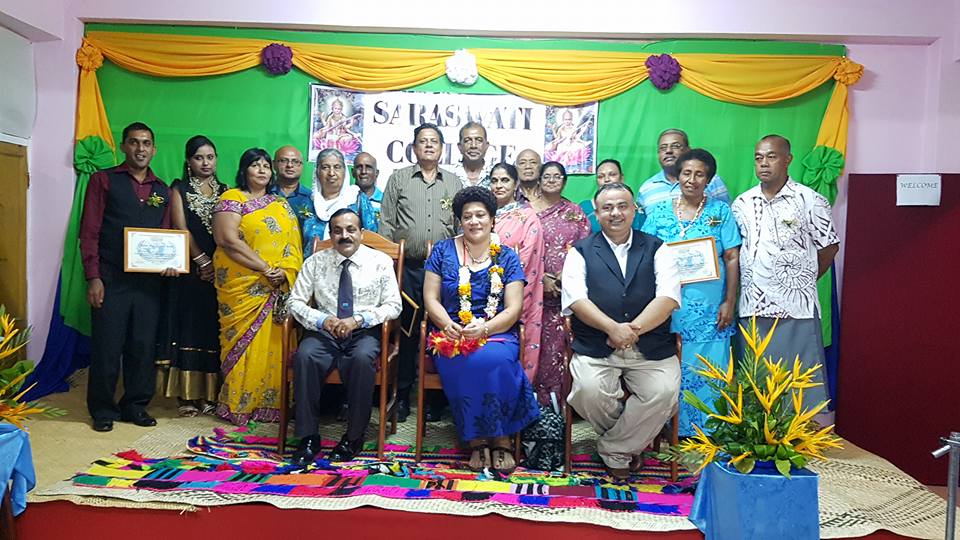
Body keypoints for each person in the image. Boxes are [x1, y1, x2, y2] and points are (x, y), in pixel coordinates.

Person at [562, 182, 682, 480]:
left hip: (650, 345)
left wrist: (632, 330)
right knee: (588, 392)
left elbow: (668, 298)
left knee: (664, 392)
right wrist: (612, 328)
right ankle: (630, 443)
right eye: (607, 208)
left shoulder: (658, 248)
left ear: (634, 209)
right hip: (597, 344)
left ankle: (613, 448)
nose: (615, 213)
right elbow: (576, 300)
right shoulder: (580, 251)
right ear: (597, 213)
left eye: (622, 206)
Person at [423, 187, 540, 473]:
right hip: (451, 333)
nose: (474, 221)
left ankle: (500, 438)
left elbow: (513, 309)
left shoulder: (507, 257)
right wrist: (447, 324)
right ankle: (477, 440)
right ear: (459, 221)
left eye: (480, 215)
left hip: (497, 332)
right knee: (466, 359)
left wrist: (485, 327)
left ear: (492, 219)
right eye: (467, 217)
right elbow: (430, 297)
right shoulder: (442, 250)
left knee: (495, 360)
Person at [80, 122, 177, 432]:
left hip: (149, 284)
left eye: (146, 143)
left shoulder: (162, 190)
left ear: (154, 149)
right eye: (134, 142)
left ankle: (134, 405)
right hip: (110, 279)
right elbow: (90, 231)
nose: (140, 149)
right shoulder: (104, 180)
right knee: (107, 346)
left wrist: (170, 261)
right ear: (123, 146)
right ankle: (102, 409)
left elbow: (165, 234)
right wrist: (93, 277)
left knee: (143, 345)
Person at [731, 134, 839, 412]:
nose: (764, 163)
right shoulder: (741, 203)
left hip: (796, 308)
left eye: (771, 156)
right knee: (757, 383)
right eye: (758, 157)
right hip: (752, 308)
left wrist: (802, 279)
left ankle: (801, 445)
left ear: (788, 159)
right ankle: (760, 443)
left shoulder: (809, 200)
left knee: (798, 386)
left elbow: (829, 247)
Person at [288, 209, 401, 466]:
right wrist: (322, 320)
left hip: (364, 331)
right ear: (330, 234)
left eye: (351, 229)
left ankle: (353, 437)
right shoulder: (316, 261)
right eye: (337, 231)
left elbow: (394, 306)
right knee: (306, 355)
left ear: (361, 233)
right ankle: (308, 437)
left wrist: (359, 320)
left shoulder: (380, 262)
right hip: (325, 331)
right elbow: (294, 302)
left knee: (362, 359)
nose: (344, 235)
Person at [641, 149, 741, 436]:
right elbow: (647, 256)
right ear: (678, 176)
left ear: (708, 179)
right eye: (687, 173)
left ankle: (708, 433)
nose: (692, 179)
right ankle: (667, 431)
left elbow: (732, 257)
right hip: (669, 308)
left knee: (709, 369)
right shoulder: (659, 212)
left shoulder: (720, 212)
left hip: (711, 309)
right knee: (669, 369)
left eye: (700, 174)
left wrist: (729, 301)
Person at [212, 148, 303, 425]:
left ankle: (272, 405)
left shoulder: (280, 203)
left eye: (266, 166)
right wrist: (264, 269)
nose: (262, 170)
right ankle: (239, 403)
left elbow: (293, 244)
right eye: (255, 165)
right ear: (244, 170)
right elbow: (227, 240)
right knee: (244, 343)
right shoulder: (232, 199)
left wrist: (284, 272)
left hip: (276, 287)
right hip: (243, 286)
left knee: (276, 344)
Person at [380, 122, 462, 422]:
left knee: (442, 330)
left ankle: (436, 401)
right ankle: (401, 396)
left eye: (434, 142)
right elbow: (386, 223)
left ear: (442, 148)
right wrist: (390, 266)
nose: (428, 146)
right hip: (408, 270)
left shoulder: (453, 183)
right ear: (414, 148)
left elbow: (459, 229)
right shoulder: (399, 179)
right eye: (423, 141)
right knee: (407, 331)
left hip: (445, 272)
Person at [160, 135, 228, 417]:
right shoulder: (179, 189)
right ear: (189, 161)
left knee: (213, 329)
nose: (205, 163)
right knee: (188, 326)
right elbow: (181, 227)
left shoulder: (226, 191)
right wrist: (202, 260)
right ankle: (186, 395)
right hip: (189, 269)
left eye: (210, 157)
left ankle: (210, 394)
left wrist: (217, 266)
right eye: (199, 157)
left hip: (220, 271)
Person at [529, 161, 591, 404]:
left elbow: (585, 249)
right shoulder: (527, 213)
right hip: (533, 291)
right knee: (534, 344)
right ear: (539, 180)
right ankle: (532, 400)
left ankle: (559, 400)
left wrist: (565, 277)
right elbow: (521, 252)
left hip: (566, 292)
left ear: (565, 182)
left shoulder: (575, 212)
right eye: (547, 176)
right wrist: (541, 277)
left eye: (557, 176)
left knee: (560, 347)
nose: (552, 180)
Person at [489, 162, 545, 382]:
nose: (499, 185)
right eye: (494, 180)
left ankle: (516, 395)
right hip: (480, 291)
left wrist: (503, 286)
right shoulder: (483, 213)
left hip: (516, 289)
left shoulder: (527, 217)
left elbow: (528, 258)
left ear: (516, 184)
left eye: (505, 180)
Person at [301, 148, 376, 256]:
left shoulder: (357, 200)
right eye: (325, 167)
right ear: (317, 172)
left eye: (337, 167)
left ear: (345, 171)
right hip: (314, 268)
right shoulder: (308, 203)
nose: (331, 173)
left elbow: (373, 241)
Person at [637, 129, 730, 212]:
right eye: (663, 148)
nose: (668, 151)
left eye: (675, 146)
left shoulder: (712, 180)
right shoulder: (647, 188)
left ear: (688, 150)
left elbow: (725, 215)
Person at [579, 159, 644, 232]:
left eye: (612, 174)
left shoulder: (634, 208)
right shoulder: (584, 208)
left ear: (622, 178)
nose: (606, 179)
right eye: (601, 176)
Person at [271, 146, 313, 230]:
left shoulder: (311, 198)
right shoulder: (263, 193)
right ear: (273, 164)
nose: (289, 165)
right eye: (283, 161)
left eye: (295, 161)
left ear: (301, 166)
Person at [451, 122, 493, 189]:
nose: (473, 145)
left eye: (479, 140)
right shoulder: (449, 175)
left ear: (486, 146)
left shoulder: (495, 175)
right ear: (459, 147)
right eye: (467, 141)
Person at [352, 152, 383, 230]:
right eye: (359, 167)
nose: (363, 171)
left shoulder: (385, 201)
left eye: (368, 167)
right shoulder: (345, 200)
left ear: (376, 173)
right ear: (353, 172)